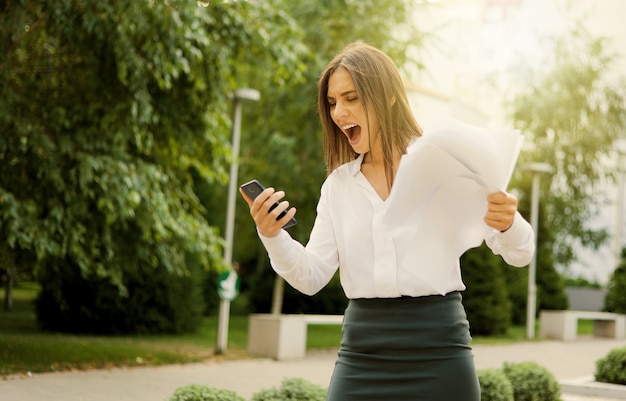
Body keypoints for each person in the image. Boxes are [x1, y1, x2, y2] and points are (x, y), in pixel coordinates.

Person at [240, 42, 534, 401]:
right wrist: (272, 235)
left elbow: (520, 254)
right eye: (332, 102)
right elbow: (311, 276)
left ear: (388, 97)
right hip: (362, 354)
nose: (339, 112)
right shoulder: (338, 186)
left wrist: (507, 223)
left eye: (351, 98)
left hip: (440, 350)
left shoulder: (445, 166)